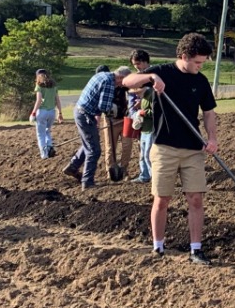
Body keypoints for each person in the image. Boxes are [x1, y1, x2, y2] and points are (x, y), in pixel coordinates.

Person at [142, 33, 218, 265]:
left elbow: (209, 112)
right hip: (164, 147)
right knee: (162, 199)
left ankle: (196, 250)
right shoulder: (162, 71)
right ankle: (158, 247)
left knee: (195, 199)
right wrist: (152, 77)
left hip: (193, 148)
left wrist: (212, 138)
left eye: (203, 63)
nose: (199, 66)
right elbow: (127, 81)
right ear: (184, 56)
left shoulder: (201, 81)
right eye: (197, 62)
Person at [61, 66, 133, 190]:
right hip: (85, 115)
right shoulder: (109, 82)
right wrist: (113, 109)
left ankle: (73, 167)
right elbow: (104, 106)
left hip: (80, 111)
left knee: (89, 143)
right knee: (94, 150)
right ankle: (87, 182)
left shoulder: (102, 75)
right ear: (121, 77)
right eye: (124, 82)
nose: (122, 86)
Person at [127, 49, 153, 183]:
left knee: (149, 153)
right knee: (142, 152)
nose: (136, 67)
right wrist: (135, 114)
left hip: (152, 126)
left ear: (144, 62)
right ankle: (144, 175)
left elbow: (156, 109)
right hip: (143, 125)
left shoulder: (154, 79)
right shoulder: (138, 79)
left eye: (137, 64)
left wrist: (143, 110)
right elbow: (132, 100)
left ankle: (155, 177)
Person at [30, 69, 63, 159]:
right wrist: (60, 112)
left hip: (42, 112)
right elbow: (57, 100)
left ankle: (44, 154)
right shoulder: (54, 86)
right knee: (47, 131)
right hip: (52, 112)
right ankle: (49, 147)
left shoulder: (39, 86)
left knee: (40, 134)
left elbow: (39, 100)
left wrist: (33, 113)